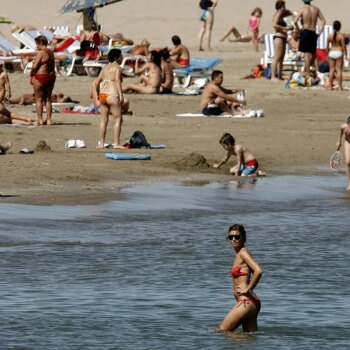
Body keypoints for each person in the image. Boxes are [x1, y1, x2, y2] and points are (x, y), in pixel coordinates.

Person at [219, 224, 263, 332]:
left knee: (222, 331)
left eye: (237, 237)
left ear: (243, 237)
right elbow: (251, 272)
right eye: (231, 237)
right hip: (251, 302)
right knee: (248, 339)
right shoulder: (240, 254)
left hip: (246, 302)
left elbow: (258, 271)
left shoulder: (243, 253)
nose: (233, 239)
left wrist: (247, 289)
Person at [93, 49, 126, 149]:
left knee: (103, 120)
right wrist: (121, 95)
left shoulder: (104, 68)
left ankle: (101, 143)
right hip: (112, 94)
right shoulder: (118, 68)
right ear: (116, 58)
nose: (122, 58)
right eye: (121, 56)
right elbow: (117, 81)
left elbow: (96, 83)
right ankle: (116, 143)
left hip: (103, 94)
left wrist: (97, 96)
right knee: (118, 119)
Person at [294, 0, 326, 79]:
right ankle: (311, 71)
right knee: (313, 53)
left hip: (305, 31)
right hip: (313, 32)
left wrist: (298, 30)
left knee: (306, 54)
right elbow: (323, 20)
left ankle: (307, 74)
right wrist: (320, 32)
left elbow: (295, 21)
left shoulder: (302, 9)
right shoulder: (316, 9)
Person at [30, 35, 56, 125]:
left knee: (39, 99)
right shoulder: (51, 53)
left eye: (37, 44)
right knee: (48, 99)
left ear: (41, 43)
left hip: (41, 76)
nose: (36, 46)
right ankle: (49, 120)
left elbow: (34, 66)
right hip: (51, 76)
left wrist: (31, 74)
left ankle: (40, 119)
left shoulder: (41, 53)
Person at [271, 1, 294, 81]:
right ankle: (273, 76)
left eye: (284, 6)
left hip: (283, 38)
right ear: (278, 7)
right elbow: (274, 25)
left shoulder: (282, 14)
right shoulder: (278, 14)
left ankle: (280, 75)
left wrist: (288, 12)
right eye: (282, 6)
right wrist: (286, 28)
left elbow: (290, 13)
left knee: (281, 58)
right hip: (278, 37)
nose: (284, 8)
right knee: (276, 57)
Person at [327, 20, 347, 91]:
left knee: (331, 70)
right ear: (340, 27)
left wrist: (327, 54)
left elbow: (327, 47)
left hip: (331, 52)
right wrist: (346, 55)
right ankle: (340, 87)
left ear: (333, 27)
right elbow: (344, 46)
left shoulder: (329, 35)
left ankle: (329, 86)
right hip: (339, 52)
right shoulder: (341, 36)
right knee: (339, 70)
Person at [336, 116, 350, 191]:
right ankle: (349, 184)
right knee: (347, 162)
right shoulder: (344, 127)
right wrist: (339, 141)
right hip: (348, 142)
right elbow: (340, 132)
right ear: (348, 124)